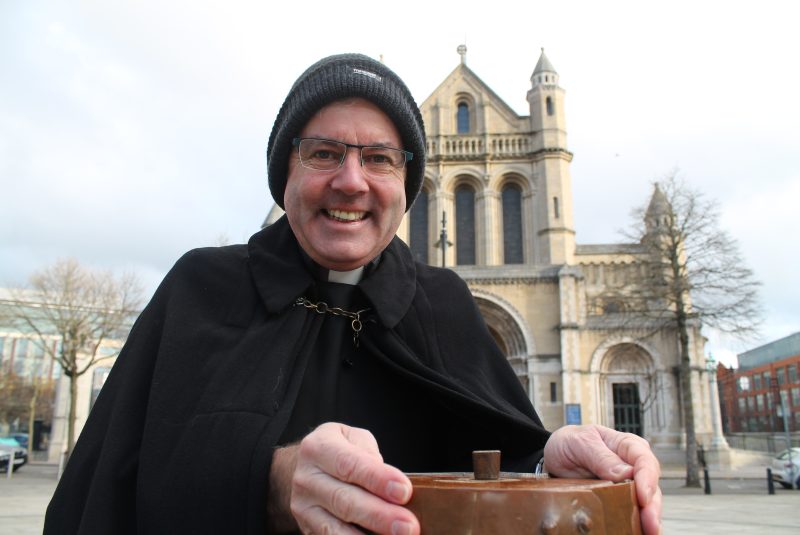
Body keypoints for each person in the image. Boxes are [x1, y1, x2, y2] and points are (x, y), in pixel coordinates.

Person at [44, 53, 661, 535]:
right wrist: (272, 483)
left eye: (380, 159)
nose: (350, 181)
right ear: (285, 175)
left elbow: (494, 455)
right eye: (324, 153)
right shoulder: (200, 289)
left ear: (406, 184)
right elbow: (104, 495)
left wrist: (552, 463)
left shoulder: (443, 302)